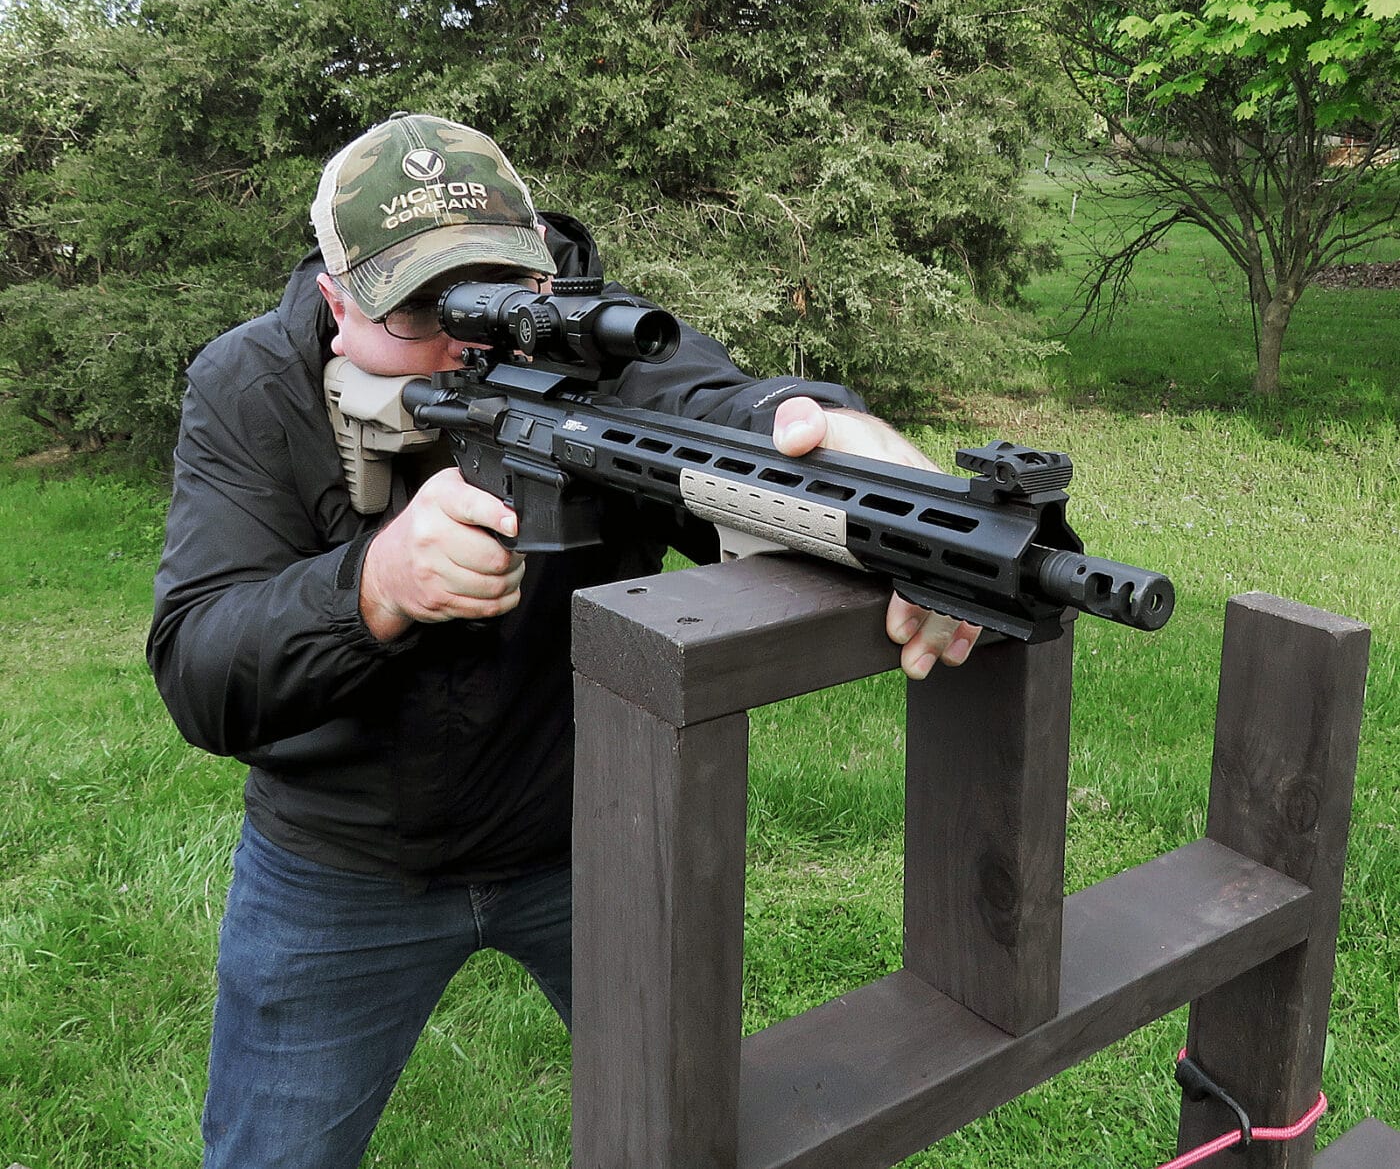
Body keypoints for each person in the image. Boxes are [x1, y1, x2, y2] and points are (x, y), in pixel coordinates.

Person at [147, 112, 979, 1168]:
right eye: (420, 310)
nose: (468, 340)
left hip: (590, 834)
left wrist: (865, 474)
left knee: (697, 1133)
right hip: (342, 859)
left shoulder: (586, 344)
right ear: (333, 298)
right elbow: (199, 668)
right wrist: (372, 585)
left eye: (499, 295)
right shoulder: (251, 385)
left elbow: (723, 416)